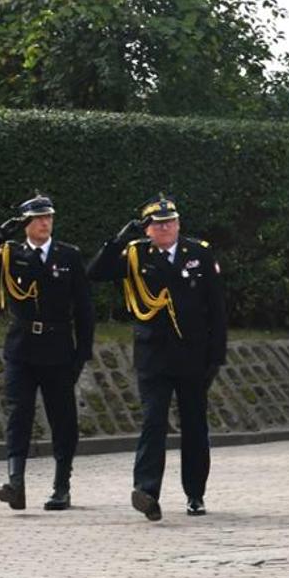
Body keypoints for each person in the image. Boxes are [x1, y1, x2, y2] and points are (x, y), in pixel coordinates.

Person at [88, 196, 227, 521]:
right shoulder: (135, 254)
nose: (164, 228)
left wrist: (216, 355)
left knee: (194, 424)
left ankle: (195, 493)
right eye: (156, 224)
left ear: (178, 224)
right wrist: (119, 240)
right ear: (147, 229)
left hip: (193, 354)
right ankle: (147, 491)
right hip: (154, 355)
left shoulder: (199, 252)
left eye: (169, 222)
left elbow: (217, 308)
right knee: (153, 422)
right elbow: (95, 272)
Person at [0, 195, 94, 512]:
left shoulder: (68, 256)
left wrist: (82, 353)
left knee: (63, 419)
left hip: (58, 347)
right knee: (19, 414)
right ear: (25, 224)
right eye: (37, 218)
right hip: (21, 347)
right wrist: (1, 233)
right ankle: (15, 483)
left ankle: (62, 486)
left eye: (48, 217)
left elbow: (85, 309)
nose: (44, 223)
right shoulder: (10, 254)